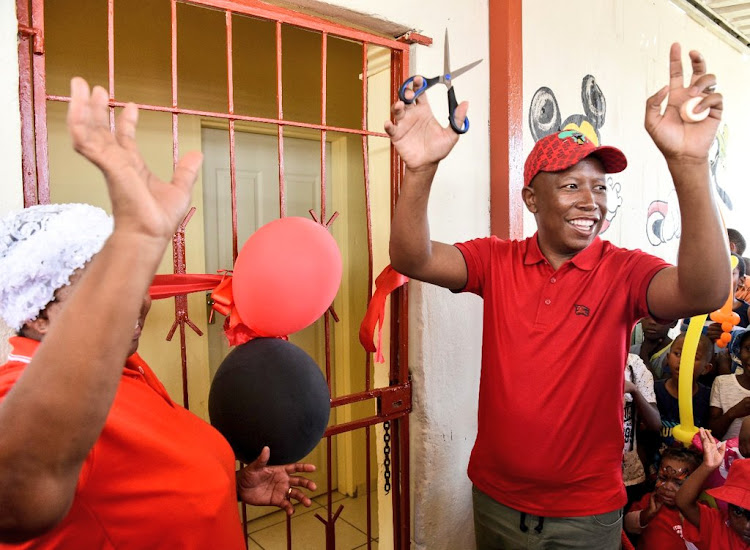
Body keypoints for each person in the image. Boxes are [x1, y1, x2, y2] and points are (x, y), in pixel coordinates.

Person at [386, 42, 729, 548]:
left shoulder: (622, 269)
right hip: (497, 500)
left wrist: (688, 164)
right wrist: (420, 172)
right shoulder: (496, 260)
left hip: (586, 514)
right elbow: (411, 258)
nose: (591, 202)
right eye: (571, 186)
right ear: (532, 198)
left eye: (600, 188)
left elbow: (706, 289)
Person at [0, 79, 316, 548]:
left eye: (132, 280)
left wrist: (227, 487)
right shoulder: (25, 388)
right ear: (38, 314)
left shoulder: (117, 365)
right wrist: (138, 236)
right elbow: (16, 497)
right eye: (103, 285)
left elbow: (129, 493)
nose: (139, 300)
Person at [676, 428, 750, 549]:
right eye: (738, 512)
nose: (747, 525)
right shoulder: (718, 525)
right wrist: (707, 466)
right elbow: (683, 503)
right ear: (728, 506)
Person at [624, 446, 702, 549]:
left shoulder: (700, 512)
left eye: (678, 483)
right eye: (663, 478)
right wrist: (647, 514)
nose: (667, 486)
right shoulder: (650, 501)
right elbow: (627, 526)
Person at [655, 332, 713, 447]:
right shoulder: (653, 391)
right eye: (678, 354)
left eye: (693, 357)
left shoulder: (708, 397)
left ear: (706, 368)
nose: (683, 361)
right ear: (667, 358)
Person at [623, 353, 661, 508]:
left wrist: (634, 391)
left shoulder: (633, 365)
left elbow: (655, 424)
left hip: (628, 474)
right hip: (588, 471)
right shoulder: (580, 361)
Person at [710, 328, 750, 441]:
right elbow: (712, 433)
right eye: (749, 348)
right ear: (739, 351)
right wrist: (733, 413)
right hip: (725, 455)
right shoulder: (722, 383)